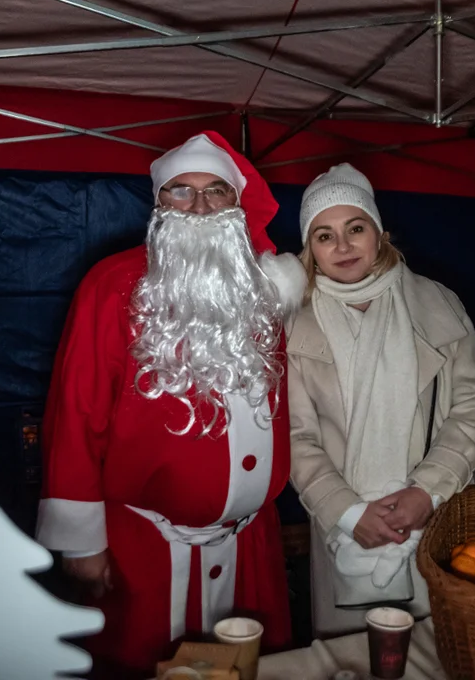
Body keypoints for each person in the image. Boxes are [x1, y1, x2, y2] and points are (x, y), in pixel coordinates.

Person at [36, 132, 306, 677]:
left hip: (250, 545)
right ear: (158, 206)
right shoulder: (111, 285)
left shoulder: (268, 290)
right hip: (143, 548)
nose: (200, 206)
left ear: (237, 204)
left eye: (216, 192)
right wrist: (79, 542)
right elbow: (75, 414)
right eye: (180, 192)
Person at [286, 164, 475, 637]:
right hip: (341, 528)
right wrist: (346, 511)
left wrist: (427, 489)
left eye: (355, 228)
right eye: (325, 235)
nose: (342, 246)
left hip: (430, 520)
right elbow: (292, 435)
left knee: (432, 652)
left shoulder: (436, 302)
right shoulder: (294, 323)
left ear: (379, 233)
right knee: (347, 658)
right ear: (310, 250)